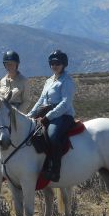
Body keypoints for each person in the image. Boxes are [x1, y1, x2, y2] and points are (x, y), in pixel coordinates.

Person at [27, 49, 75, 182]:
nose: (54, 66)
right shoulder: (48, 81)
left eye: (57, 63)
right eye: (52, 63)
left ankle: (55, 170)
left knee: (53, 135)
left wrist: (48, 117)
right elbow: (41, 101)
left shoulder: (67, 81)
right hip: (47, 114)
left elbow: (65, 103)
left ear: (63, 64)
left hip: (63, 116)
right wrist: (29, 115)